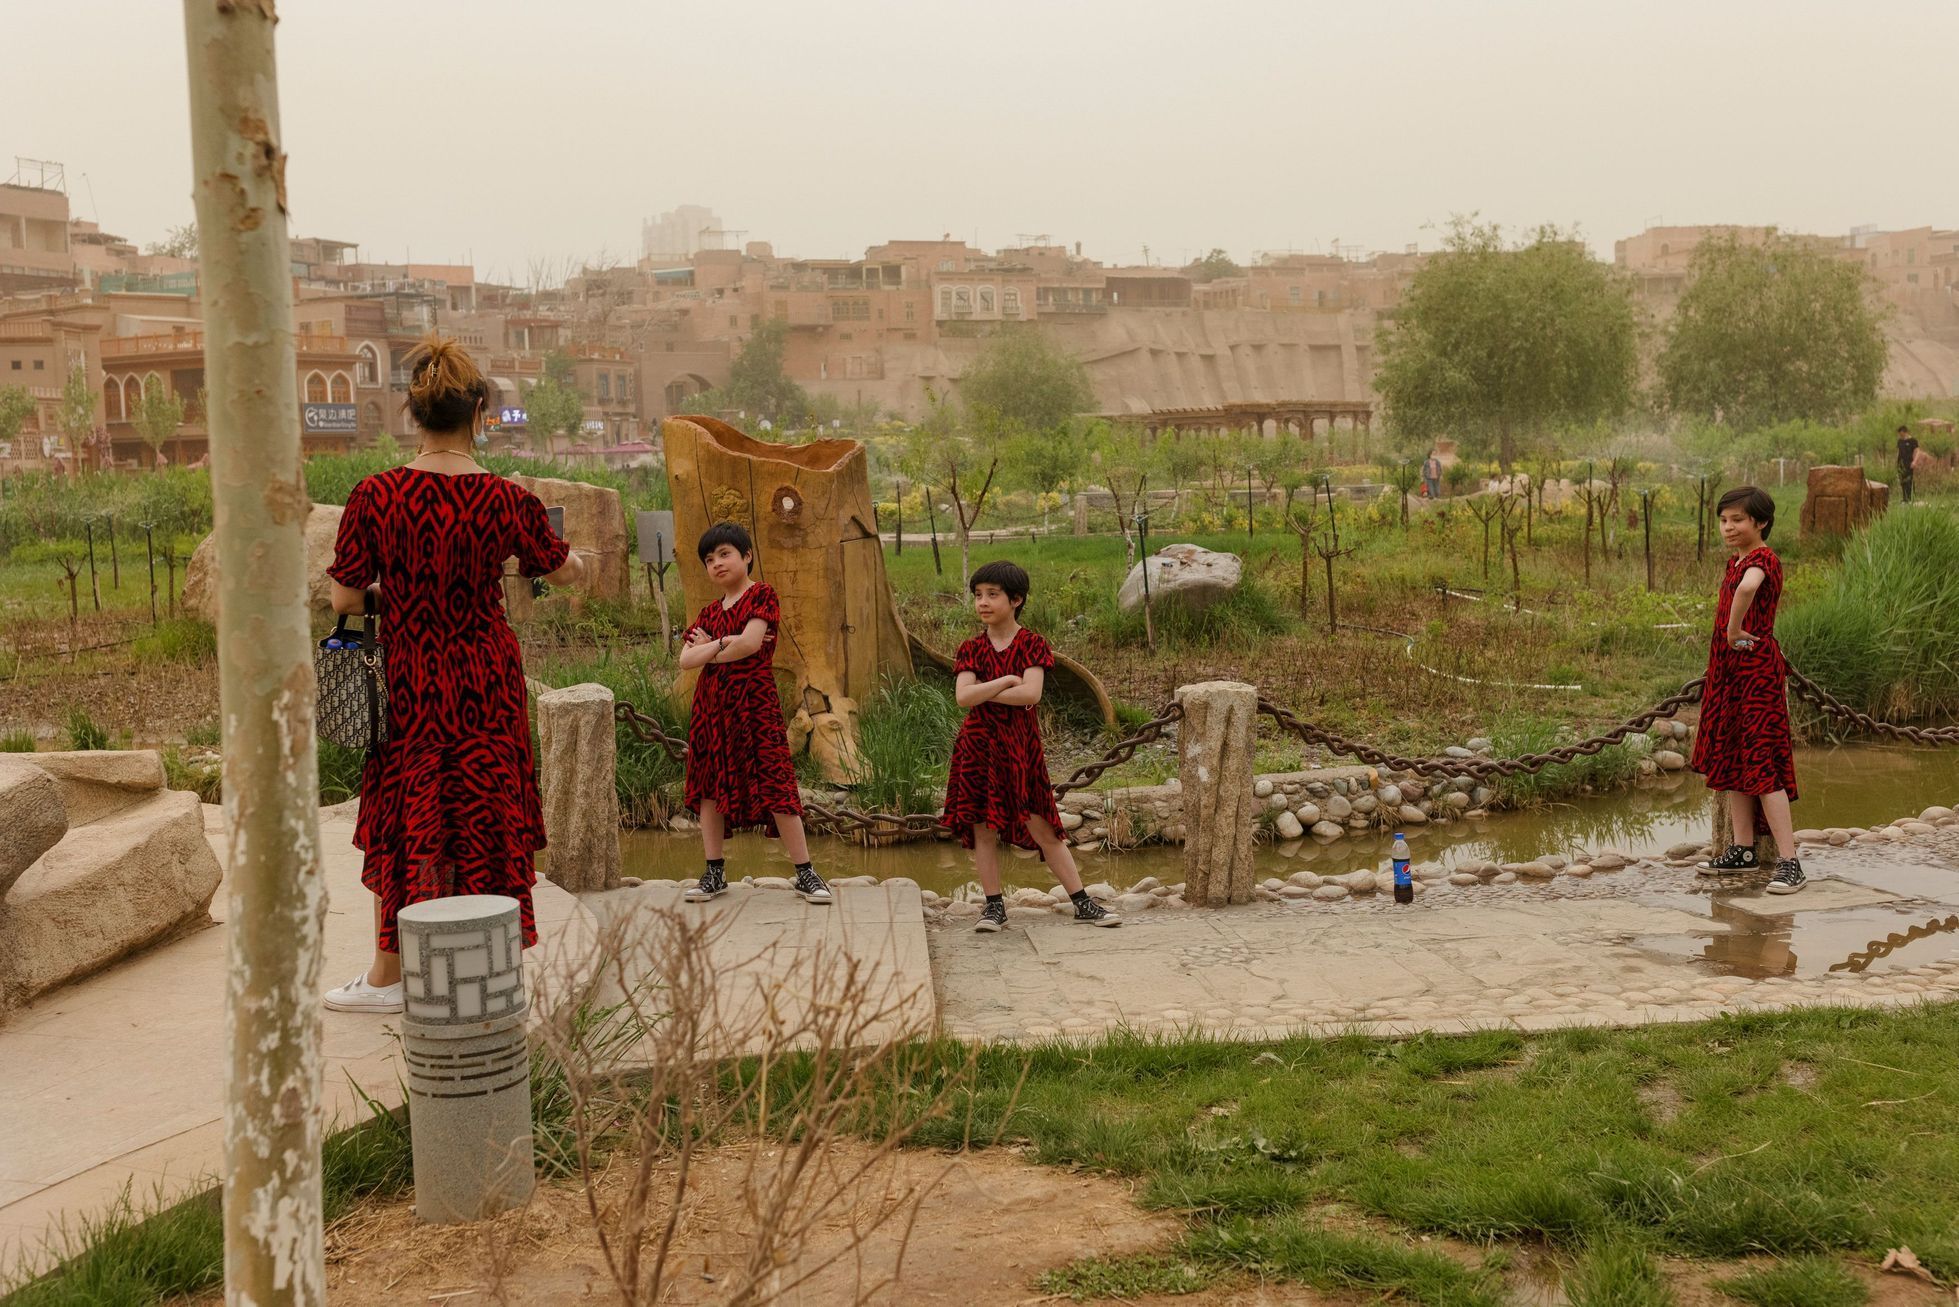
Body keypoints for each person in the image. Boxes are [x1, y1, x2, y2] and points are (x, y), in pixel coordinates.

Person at [323, 336, 586, 1013]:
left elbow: (346, 599)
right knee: (485, 810)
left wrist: (397, 593)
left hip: (410, 676)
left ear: (412, 412)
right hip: (485, 677)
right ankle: (493, 971)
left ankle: (387, 976)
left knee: (404, 812)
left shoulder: (374, 494)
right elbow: (562, 569)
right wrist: (569, 560)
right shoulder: (507, 500)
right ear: (479, 413)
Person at [946, 560, 1120, 931]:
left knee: (1043, 826)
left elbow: (1032, 693)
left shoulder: (1033, 643)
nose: (983, 602)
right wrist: (1006, 681)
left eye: (993, 595)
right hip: (977, 747)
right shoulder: (970, 648)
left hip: (1020, 748)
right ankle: (993, 907)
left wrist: (987, 689)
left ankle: (1082, 901)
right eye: (978, 595)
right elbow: (963, 698)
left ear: (1016, 599)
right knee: (982, 829)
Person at [677, 522, 829, 905]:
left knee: (776, 782)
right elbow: (685, 660)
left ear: (746, 555)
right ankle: (714, 872)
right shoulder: (709, 611)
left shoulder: (762, 594)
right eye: (709, 560)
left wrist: (715, 645)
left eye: (725, 554)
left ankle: (806, 872)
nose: (717, 564)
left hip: (755, 704)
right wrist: (722, 645)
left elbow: (748, 646)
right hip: (711, 708)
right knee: (710, 788)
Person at [1691, 486, 1805, 894]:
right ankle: (1742, 849)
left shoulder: (1762, 559)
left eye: (1737, 520)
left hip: (1755, 674)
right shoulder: (1735, 561)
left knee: (1762, 765)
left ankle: (1791, 862)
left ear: (1760, 522)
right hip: (1730, 674)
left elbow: (1747, 588)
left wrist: (1734, 629)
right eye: (1724, 520)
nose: (1728, 527)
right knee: (1737, 759)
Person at [1896, 424, 1919, 504]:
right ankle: (1904, 498)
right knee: (1902, 480)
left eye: (1901, 433)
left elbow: (1917, 452)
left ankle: (1910, 498)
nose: (1900, 435)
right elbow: (1898, 452)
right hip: (1900, 464)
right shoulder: (1900, 441)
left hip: (1909, 463)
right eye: (1899, 434)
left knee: (1909, 480)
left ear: (1905, 432)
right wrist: (1896, 462)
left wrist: (1915, 461)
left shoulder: (1913, 441)